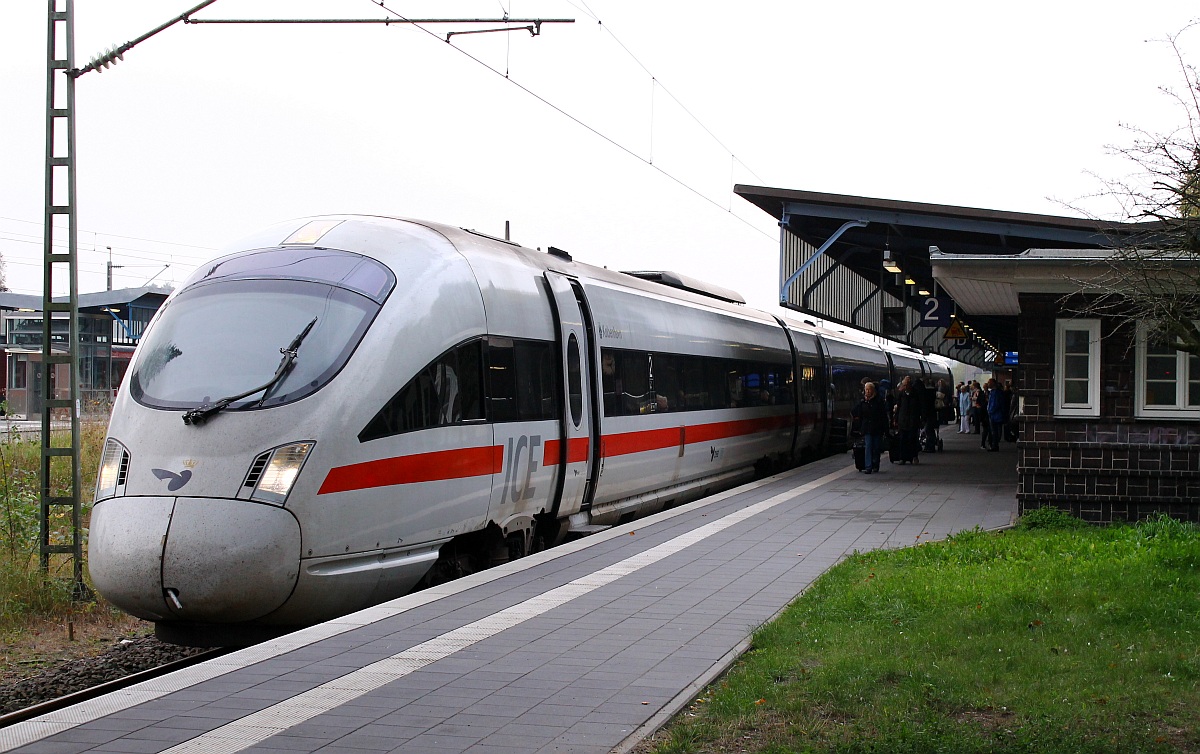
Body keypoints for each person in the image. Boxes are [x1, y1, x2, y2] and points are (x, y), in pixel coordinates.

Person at [851, 381, 888, 474]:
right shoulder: (863, 402)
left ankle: (875, 464)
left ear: (873, 391)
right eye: (866, 390)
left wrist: (885, 429)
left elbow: (883, 416)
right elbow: (856, 413)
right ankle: (868, 466)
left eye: (869, 390)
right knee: (868, 446)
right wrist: (859, 426)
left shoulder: (879, 401)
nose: (867, 392)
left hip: (877, 428)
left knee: (876, 447)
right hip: (867, 428)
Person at [894, 376, 922, 464]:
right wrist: (895, 419)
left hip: (913, 421)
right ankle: (903, 458)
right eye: (904, 385)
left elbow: (920, 407)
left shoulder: (915, 394)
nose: (905, 387)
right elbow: (898, 407)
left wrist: (921, 418)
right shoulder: (901, 395)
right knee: (903, 440)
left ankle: (914, 456)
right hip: (903, 421)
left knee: (912, 439)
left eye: (906, 385)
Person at [986, 378, 1006, 451]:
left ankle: (995, 445)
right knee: (994, 431)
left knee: (994, 431)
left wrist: (990, 411)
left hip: (995, 414)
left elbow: (995, 404)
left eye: (989, 382)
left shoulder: (995, 393)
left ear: (993, 383)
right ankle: (994, 444)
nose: (988, 384)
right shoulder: (995, 392)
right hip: (995, 414)